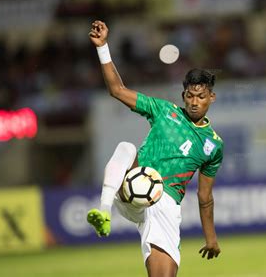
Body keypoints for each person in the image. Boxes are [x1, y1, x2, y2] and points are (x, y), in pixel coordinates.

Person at [86, 20, 223, 277]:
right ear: (183, 95)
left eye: (201, 97)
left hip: (165, 202)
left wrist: (211, 237)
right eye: (190, 96)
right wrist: (103, 47)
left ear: (211, 97)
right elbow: (117, 90)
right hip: (132, 187)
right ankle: (103, 211)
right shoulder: (164, 110)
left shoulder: (213, 145)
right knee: (126, 147)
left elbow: (205, 197)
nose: (194, 103)